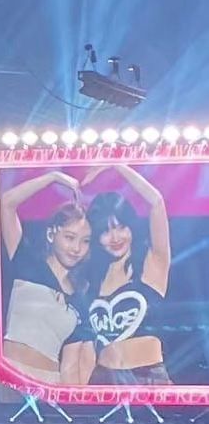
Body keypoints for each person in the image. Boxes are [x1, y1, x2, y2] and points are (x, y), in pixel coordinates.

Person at [0, 171, 92, 384]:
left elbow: (71, 367)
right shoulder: (26, 262)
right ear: (51, 234)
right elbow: (7, 203)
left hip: (50, 385)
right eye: (70, 237)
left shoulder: (80, 297)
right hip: (9, 377)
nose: (76, 248)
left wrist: (69, 401)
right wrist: (53, 177)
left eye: (85, 241)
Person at [83, 165, 171, 385]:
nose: (115, 237)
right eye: (105, 231)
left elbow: (156, 202)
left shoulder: (152, 263)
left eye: (121, 227)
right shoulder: (94, 277)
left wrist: (117, 166)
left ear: (131, 227)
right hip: (103, 378)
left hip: (148, 378)